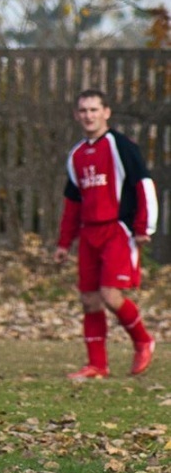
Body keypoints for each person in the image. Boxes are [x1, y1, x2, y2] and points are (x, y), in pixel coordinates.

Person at [54, 89, 158, 380]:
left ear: (106, 112)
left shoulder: (121, 146)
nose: (89, 116)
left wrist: (143, 227)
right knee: (89, 300)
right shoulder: (76, 155)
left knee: (111, 295)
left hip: (117, 231)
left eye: (94, 110)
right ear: (77, 115)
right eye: (83, 111)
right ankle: (97, 365)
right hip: (89, 234)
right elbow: (73, 203)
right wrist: (64, 242)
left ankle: (143, 340)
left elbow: (144, 185)